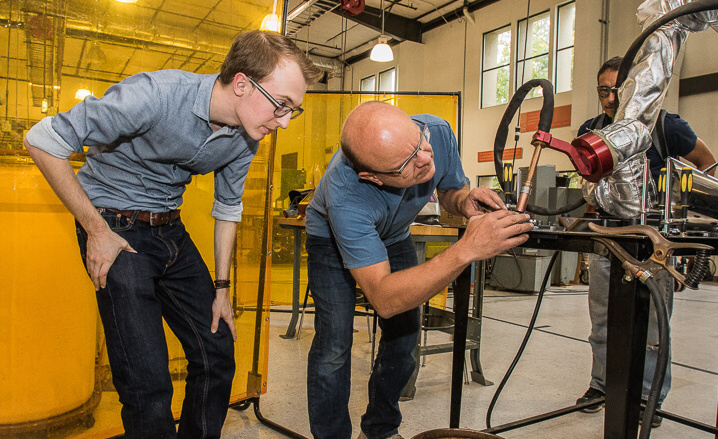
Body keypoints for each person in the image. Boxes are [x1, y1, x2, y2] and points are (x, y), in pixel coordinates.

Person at [24, 30, 322, 439]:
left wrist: (221, 287)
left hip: (169, 230)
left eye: (294, 110)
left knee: (217, 353)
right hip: (114, 227)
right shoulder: (155, 94)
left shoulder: (247, 135)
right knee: (148, 384)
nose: (285, 121)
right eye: (281, 105)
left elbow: (228, 207)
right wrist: (95, 229)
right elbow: (42, 140)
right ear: (241, 83)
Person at [304, 101, 534, 439]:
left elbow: (450, 192)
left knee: (404, 337)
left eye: (419, 144)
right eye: (406, 163)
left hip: (394, 234)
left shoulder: (435, 131)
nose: (424, 158)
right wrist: (467, 249)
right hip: (328, 239)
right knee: (334, 347)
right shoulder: (346, 195)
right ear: (372, 177)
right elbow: (384, 297)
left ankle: (381, 429)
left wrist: (464, 200)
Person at [576, 56, 716, 426]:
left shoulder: (666, 125)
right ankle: (602, 384)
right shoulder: (593, 129)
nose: (609, 98)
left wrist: (686, 210)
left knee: (654, 324)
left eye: (616, 89)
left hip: (656, 243)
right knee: (603, 321)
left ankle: (647, 397)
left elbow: (706, 161)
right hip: (609, 238)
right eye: (602, 90)